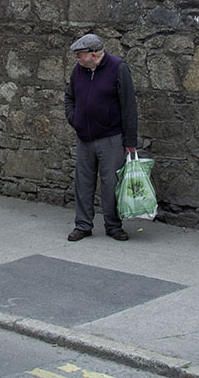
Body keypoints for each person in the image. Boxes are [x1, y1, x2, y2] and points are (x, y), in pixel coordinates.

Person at [64, 33, 137, 242]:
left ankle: (113, 226)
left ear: (94, 54)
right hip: (84, 137)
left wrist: (130, 140)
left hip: (111, 137)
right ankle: (83, 225)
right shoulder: (79, 71)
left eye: (80, 55)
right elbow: (69, 97)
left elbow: (129, 106)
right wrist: (74, 118)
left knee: (111, 184)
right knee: (83, 183)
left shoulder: (118, 68)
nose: (77, 58)